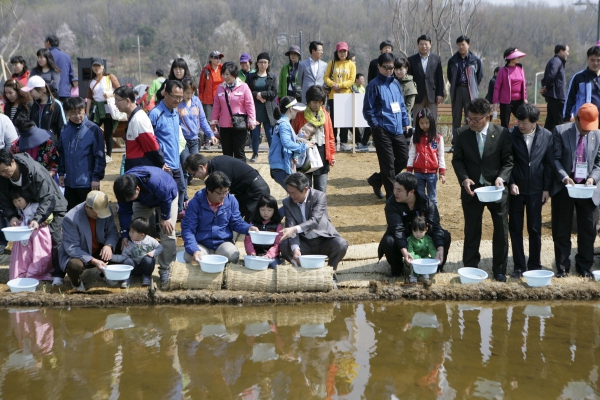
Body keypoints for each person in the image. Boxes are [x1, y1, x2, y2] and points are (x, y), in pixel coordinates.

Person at [451, 98, 513, 282]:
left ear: (488, 117)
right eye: (468, 117)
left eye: (475, 119)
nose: (470, 121)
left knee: (501, 230)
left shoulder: (502, 133)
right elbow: (457, 160)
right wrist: (464, 179)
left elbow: (508, 160)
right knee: (471, 229)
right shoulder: (462, 134)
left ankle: (500, 269)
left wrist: (502, 178)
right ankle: (470, 267)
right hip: (472, 190)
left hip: (496, 189)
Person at [0, 149, 68, 285]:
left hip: (53, 205)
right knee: (26, 241)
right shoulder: (3, 178)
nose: (3, 174)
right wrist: (12, 216)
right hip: (27, 209)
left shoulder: (35, 171)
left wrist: (37, 219)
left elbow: (48, 198)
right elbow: (4, 199)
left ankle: (58, 274)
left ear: (13, 162)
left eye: (5, 170)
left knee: (55, 238)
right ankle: (32, 271)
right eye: (0, 172)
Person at [551, 103, 600, 279]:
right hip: (565, 186)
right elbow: (555, 159)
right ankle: (563, 267)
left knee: (588, 229)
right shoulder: (561, 131)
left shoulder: (597, 134)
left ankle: (584, 266)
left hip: (588, 189)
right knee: (561, 228)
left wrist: (592, 177)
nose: (587, 131)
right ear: (577, 118)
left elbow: (599, 162)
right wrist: (564, 176)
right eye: (585, 126)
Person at [508, 103, 553, 278]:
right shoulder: (511, 135)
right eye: (518, 120)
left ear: (535, 122)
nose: (520, 125)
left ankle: (534, 265)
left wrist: (546, 188)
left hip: (536, 190)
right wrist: (511, 182)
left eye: (524, 122)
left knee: (534, 229)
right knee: (515, 228)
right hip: (516, 190)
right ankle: (519, 266)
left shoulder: (547, 136)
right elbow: (508, 161)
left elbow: (548, 164)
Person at [114, 166, 178, 286]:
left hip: (167, 197)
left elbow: (166, 197)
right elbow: (124, 212)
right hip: (142, 201)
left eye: (129, 199)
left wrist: (164, 217)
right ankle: (134, 268)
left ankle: (166, 270)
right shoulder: (122, 188)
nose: (127, 201)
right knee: (134, 230)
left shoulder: (155, 180)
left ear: (137, 188)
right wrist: (124, 234)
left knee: (167, 233)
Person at [279, 173, 348, 284]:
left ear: (305, 189)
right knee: (284, 245)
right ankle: (302, 272)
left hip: (324, 240)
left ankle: (330, 274)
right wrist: (295, 249)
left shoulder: (319, 196)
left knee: (341, 244)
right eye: (289, 192)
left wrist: (295, 229)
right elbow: (290, 225)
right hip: (304, 243)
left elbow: (314, 221)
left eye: (294, 193)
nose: (291, 196)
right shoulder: (287, 202)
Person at [378, 172, 450, 276]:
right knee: (388, 241)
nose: (395, 193)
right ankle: (397, 270)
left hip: (423, 233)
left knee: (445, 235)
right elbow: (397, 229)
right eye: (394, 188)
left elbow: (435, 226)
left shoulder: (426, 202)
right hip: (403, 235)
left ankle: (437, 266)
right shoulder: (391, 204)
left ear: (411, 192)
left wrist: (440, 248)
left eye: (399, 190)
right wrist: (405, 252)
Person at [181, 171, 259, 264]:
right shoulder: (195, 203)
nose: (224, 195)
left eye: (226, 191)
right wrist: (194, 249)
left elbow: (236, 222)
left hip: (222, 243)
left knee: (232, 254)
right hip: (202, 244)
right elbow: (188, 229)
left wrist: (248, 228)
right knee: (189, 257)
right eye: (220, 193)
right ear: (209, 190)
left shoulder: (231, 200)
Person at [363, 52, 411, 200]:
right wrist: (376, 126)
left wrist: (406, 122)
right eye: (386, 68)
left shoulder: (396, 83)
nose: (390, 71)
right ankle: (392, 198)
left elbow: (402, 105)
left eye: (392, 68)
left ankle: (377, 180)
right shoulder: (373, 85)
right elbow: (367, 109)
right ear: (379, 66)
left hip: (397, 129)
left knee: (404, 158)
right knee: (388, 165)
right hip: (382, 129)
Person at [58, 191, 120, 292]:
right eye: (97, 212)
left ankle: (104, 275)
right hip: (80, 255)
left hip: (99, 249)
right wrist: (94, 261)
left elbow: (112, 232)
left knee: (122, 244)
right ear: (87, 207)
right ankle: (76, 282)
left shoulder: (106, 208)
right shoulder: (70, 218)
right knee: (74, 266)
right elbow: (72, 248)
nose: (100, 215)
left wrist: (108, 245)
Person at [184, 153, 271, 221]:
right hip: (244, 191)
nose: (194, 177)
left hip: (256, 190)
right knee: (232, 217)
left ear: (201, 167)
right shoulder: (215, 164)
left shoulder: (218, 169)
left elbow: (221, 195)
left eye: (193, 174)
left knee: (251, 223)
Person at [57, 97, 106, 210]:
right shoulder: (64, 130)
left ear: (84, 110)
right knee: (72, 214)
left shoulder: (93, 129)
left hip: (87, 182)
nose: (77, 116)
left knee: (90, 213)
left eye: (80, 112)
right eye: (73, 113)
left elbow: (99, 156)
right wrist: (61, 173)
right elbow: (62, 153)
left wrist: (96, 178)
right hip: (69, 183)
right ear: (67, 113)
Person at [178, 78, 217, 215]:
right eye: (187, 93)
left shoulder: (196, 102)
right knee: (184, 168)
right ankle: (182, 203)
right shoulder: (178, 104)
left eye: (192, 93)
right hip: (182, 141)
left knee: (192, 169)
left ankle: (185, 196)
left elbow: (202, 120)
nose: (189, 95)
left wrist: (211, 134)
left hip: (194, 140)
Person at [149, 79, 185, 215]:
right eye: (175, 97)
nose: (178, 100)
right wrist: (159, 161)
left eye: (180, 97)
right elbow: (149, 141)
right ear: (166, 94)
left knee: (177, 193)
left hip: (176, 163)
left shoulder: (175, 112)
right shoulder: (155, 114)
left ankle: (169, 225)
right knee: (164, 196)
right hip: (164, 165)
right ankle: (160, 227)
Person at [291, 85, 336, 192]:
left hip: (322, 154)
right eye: (314, 102)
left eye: (320, 102)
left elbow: (330, 137)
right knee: (305, 189)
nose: (317, 105)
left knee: (321, 190)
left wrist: (332, 155)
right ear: (308, 101)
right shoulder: (300, 115)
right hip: (304, 154)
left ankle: (319, 209)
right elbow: (293, 136)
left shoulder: (325, 114)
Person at [210, 61, 256, 162]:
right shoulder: (220, 88)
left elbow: (250, 104)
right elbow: (216, 106)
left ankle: (241, 176)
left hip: (240, 125)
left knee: (239, 152)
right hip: (224, 125)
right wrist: (214, 120)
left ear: (234, 74)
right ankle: (228, 176)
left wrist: (252, 120)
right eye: (223, 74)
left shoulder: (244, 87)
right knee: (227, 153)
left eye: (227, 74)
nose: (225, 77)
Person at [113, 85, 165, 171]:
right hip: (137, 168)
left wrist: (160, 163)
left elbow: (151, 145)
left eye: (117, 100)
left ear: (127, 101)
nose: (115, 103)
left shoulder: (138, 119)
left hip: (141, 170)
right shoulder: (134, 117)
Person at [8, 187, 53, 281]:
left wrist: (38, 223)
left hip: (37, 234)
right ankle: (24, 271)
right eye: (15, 202)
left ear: (26, 197)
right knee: (25, 254)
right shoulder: (20, 210)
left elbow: (49, 217)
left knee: (38, 253)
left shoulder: (35, 206)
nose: (17, 204)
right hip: (26, 235)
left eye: (19, 200)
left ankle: (37, 271)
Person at [447, 35, 483, 150]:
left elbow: (479, 76)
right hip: (457, 90)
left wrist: (472, 85)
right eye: (459, 45)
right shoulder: (452, 60)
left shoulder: (475, 60)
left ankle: (468, 143)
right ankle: (456, 144)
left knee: (470, 118)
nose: (461, 47)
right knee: (456, 118)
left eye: (463, 44)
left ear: (468, 45)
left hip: (470, 91)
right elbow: (449, 76)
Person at [268, 96, 312, 189]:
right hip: (281, 167)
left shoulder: (285, 122)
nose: (297, 112)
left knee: (294, 195)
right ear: (291, 109)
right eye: (296, 110)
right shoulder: (284, 124)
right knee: (296, 194)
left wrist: (300, 139)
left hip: (282, 166)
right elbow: (286, 143)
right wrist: (304, 146)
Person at [406, 108, 446, 206]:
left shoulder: (438, 137)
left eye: (427, 122)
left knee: (432, 197)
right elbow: (411, 154)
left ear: (431, 122)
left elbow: (441, 155)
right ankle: (421, 215)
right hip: (418, 173)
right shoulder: (415, 137)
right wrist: (409, 171)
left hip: (432, 174)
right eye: (422, 123)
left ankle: (433, 217)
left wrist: (442, 172)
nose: (424, 125)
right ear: (418, 123)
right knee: (420, 195)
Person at [85, 57, 120, 162]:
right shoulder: (91, 81)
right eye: (94, 66)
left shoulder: (110, 77)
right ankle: (94, 152)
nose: (96, 68)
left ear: (103, 66)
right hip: (96, 109)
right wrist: (87, 111)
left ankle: (108, 155)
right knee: (91, 130)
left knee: (108, 132)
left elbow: (120, 89)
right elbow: (90, 97)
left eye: (98, 66)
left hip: (108, 107)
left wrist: (110, 94)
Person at [324, 42, 357, 152]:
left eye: (344, 51)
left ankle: (343, 142)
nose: (342, 53)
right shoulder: (332, 63)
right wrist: (333, 85)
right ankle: (333, 142)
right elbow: (326, 77)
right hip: (333, 96)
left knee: (345, 120)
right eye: (340, 51)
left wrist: (340, 85)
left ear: (347, 52)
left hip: (346, 96)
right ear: (337, 52)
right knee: (333, 120)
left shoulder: (351, 64)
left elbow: (352, 80)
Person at [247, 52, 278, 162]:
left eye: (265, 62)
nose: (263, 64)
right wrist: (257, 96)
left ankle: (273, 154)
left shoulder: (272, 77)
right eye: (261, 62)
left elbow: (274, 93)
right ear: (257, 63)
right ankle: (255, 154)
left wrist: (263, 95)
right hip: (255, 109)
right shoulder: (251, 76)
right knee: (255, 135)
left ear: (268, 64)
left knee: (270, 134)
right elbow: (248, 91)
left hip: (268, 109)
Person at [115, 217, 162, 288]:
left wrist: (154, 253)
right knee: (127, 260)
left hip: (145, 267)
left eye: (132, 232)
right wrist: (112, 257)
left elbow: (160, 247)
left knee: (149, 259)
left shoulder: (150, 240)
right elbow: (123, 257)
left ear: (142, 235)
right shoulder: (128, 243)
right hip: (133, 267)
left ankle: (146, 277)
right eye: (130, 231)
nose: (130, 233)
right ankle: (127, 278)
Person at [407, 35, 445, 120]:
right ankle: (417, 134)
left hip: (432, 95)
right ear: (418, 45)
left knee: (432, 119)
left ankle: (432, 134)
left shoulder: (436, 59)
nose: (424, 46)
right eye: (421, 44)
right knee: (417, 118)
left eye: (426, 44)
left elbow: (439, 77)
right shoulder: (411, 59)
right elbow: (409, 78)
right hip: (417, 94)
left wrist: (440, 94)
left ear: (430, 45)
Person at [21, 75, 66, 144]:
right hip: (36, 145)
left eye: (31, 91)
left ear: (41, 89)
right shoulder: (34, 105)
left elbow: (63, 128)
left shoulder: (56, 105)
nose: (30, 94)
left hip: (51, 147)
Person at [243, 195, 283, 270]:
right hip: (255, 255)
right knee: (247, 266)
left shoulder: (277, 226)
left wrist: (268, 255)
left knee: (275, 266)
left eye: (269, 210)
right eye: (263, 209)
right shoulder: (253, 224)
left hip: (271, 256)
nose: (266, 213)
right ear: (258, 209)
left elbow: (278, 244)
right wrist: (251, 252)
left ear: (274, 210)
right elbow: (248, 240)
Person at [493, 48, 527, 128]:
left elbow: (524, 85)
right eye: (516, 56)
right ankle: (504, 139)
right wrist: (495, 101)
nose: (518, 58)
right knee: (504, 124)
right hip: (505, 102)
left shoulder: (520, 69)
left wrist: (525, 98)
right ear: (511, 58)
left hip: (519, 101)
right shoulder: (502, 70)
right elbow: (497, 87)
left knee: (523, 119)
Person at [563, 46, 600, 122]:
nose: (595, 63)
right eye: (592, 60)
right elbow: (570, 99)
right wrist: (566, 119)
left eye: (598, 60)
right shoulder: (578, 77)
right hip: (584, 121)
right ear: (587, 59)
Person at [199, 51, 224, 150]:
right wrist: (201, 98)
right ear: (211, 59)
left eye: (219, 58)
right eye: (216, 57)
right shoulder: (206, 70)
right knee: (208, 121)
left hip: (220, 99)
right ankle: (207, 141)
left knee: (221, 121)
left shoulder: (223, 69)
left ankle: (222, 140)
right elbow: (201, 86)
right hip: (208, 100)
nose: (218, 60)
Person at [541, 45, 569, 133]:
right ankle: (563, 143)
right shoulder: (557, 61)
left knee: (550, 122)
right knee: (560, 122)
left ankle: (544, 140)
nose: (568, 53)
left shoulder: (556, 61)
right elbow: (552, 75)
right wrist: (546, 87)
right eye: (567, 51)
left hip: (554, 96)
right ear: (561, 51)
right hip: (556, 96)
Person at [406, 215, 437, 285]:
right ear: (411, 229)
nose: (418, 234)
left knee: (428, 260)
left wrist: (435, 256)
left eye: (421, 231)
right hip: (414, 260)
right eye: (415, 231)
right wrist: (418, 259)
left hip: (424, 259)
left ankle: (424, 273)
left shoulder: (428, 239)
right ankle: (413, 276)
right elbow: (410, 252)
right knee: (414, 264)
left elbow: (431, 249)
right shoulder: (410, 239)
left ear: (426, 229)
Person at [45, 34, 75, 102]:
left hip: (49, 93)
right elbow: (71, 75)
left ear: (48, 42)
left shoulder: (44, 56)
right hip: (64, 92)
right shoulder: (67, 57)